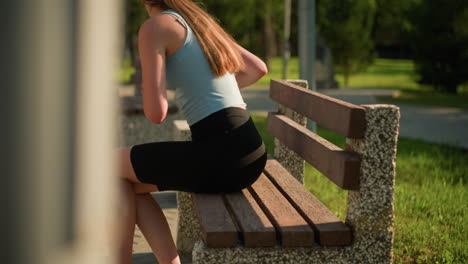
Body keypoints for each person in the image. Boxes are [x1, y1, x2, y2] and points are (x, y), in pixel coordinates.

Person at [118, 0, 268, 263]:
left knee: (108, 167)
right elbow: (257, 69)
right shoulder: (199, 21)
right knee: (127, 182)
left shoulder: (153, 28)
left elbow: (156, 113)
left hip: (221, 155)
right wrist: (208, 96)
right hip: (248, 150)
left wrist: (149, 86)